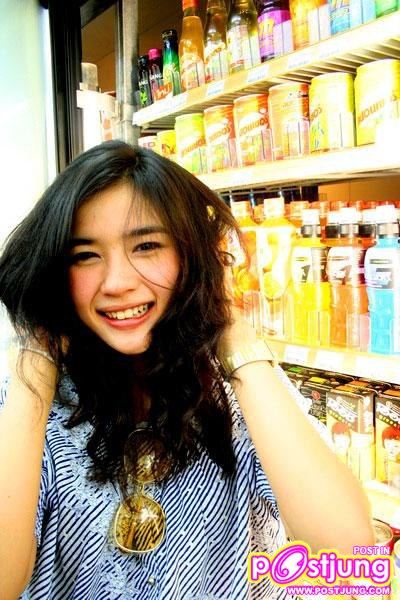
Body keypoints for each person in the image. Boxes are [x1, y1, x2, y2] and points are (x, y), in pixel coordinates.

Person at [0, 141, 373, 599]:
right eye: (85, 255)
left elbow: (349, 551)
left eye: (147, 246)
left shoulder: (239, 393)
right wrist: (36, 355)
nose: (117, 282)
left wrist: (230, 330)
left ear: (190, 256)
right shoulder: (29, 408)